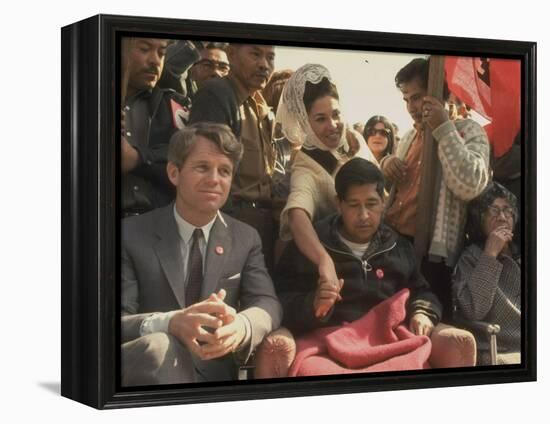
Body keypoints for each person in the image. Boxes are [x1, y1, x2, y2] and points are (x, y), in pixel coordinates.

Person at [275, 158, 475, 372]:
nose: (363, 216)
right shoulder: (312, 245)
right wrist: (312, 304)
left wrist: (422, 312)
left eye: (371, 204)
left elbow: (422, 291)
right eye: (353, 205)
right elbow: (281, 300)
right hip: (327, 347)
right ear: (338, 204)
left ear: (382, 201)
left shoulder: (397, 246)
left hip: (390, 343)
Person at [121, 122, 282, 386]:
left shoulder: (245, 238)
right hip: (147, 375)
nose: (215, 179)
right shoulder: (131, 234)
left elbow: (267, 303)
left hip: (213, 377)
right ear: (174, 173)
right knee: (161, 346)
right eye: (202, 167)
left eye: (225, 171)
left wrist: (241, 326)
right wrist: (170, 323)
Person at [381, 57, 490, 317]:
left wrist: (443, 128)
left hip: (433, 257)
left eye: (417, 97)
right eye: (406, 99)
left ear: (444, 93)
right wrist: (387, 165)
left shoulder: (470, 132)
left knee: (426, 326)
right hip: (393, 244)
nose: (411, 107)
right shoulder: (408, 136)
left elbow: (470, 184)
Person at [276, 63, 377, 318]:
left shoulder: (354, 139)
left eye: (336, 114)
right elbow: (298, 213)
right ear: (305, 122)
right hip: (338, 269)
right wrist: (323, 260)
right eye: (320, 119)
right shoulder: (305, 165)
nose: (333, 125)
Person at [188, 44, 278, 271]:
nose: (264, 64)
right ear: (232, 54)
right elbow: (208, 171)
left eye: (270, 57)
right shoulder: (217, 94)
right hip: (231, 221)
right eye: (255, 54)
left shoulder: (258, 105)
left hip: (260, 221)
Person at [121, 37, 191, 217]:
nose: (155, 60)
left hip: (158, 226)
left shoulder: (173, 105)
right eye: (144, 49)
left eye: (161, 53)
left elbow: (188, 164)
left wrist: (137, 158)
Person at [453, 182, 521, 365]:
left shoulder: (522, 253)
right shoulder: (471, 257)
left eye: (508, 211)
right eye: (494, 211)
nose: (502, 217)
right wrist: (490, 255)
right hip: (500, 347)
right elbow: (473, 310)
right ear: (479, 219)